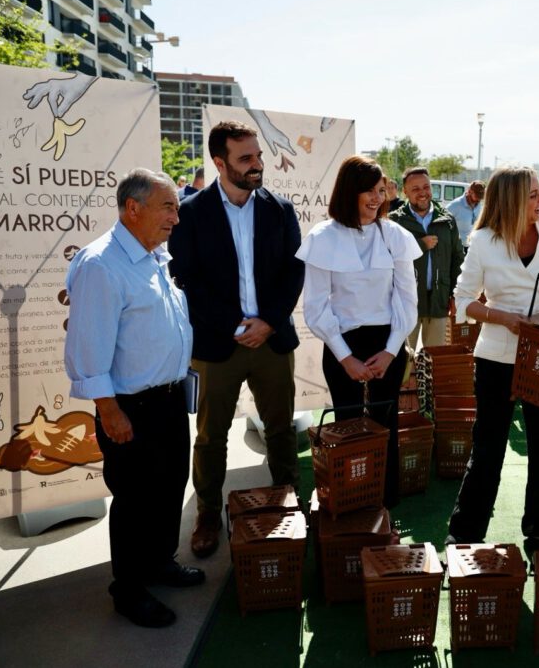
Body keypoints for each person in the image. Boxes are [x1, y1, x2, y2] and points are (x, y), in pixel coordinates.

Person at [65, 168, 202, 628]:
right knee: (134, 499)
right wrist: (109, 410)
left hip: (166, 401)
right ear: (132, 208)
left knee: (167, 489)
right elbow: (88, 347)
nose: (176, 219)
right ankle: (127, 588)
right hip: (129, 407)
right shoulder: (100, 264)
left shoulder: (154, 255)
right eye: (168, 207)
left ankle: (159, 562)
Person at [168, 120, 304, 559]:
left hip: (272, 340)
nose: (257, 165)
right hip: (216, 344)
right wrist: (236, 324)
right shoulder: (190, 212)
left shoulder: (280, 210)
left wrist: (268, 320)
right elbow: (184, 277)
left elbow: (293, 271)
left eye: (258, 156)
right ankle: (208, 514)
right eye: (246, 158)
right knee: (210, 437)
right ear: (219, 162)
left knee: (281, 428)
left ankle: (288, 499)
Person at [444, 165, 539, 551]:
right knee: (487, 448)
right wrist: (502, 317)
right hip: (494, 357)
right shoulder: (484, 240)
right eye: (534, 194)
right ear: (511, 199)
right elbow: (463, 301)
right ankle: (465, 531)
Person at [298, 155, 420, 507]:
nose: (376, 198)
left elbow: (406, 301)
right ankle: (352, 502)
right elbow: (317, 307)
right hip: (342, 346)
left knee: (386, 425)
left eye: (380, 190)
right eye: (367, 190)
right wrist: (345, 357)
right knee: (348, 427)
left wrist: (392, 350)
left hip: (387, 342)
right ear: (348, 191)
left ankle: (385, 504)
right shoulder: (323, 237)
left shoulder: (395, 235)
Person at [389, 166, 463, 349]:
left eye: (426, 187)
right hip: (405, 305)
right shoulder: (394, 222)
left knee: (434, 364)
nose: (422, 193)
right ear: (404, 192)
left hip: (439, 302)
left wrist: (455, 294)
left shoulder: (447, 220)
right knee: (403, 365)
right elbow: (387, 260)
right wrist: (420, 245)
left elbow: (457, 259)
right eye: (415, 189)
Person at [447, 180, 485, 249]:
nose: (478, 200)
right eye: (477, 196)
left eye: (480, 197)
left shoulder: (479, 205)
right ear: (469, 191)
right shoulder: (454, 205)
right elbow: (443, 223)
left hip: (472, 247)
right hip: (457, 248)